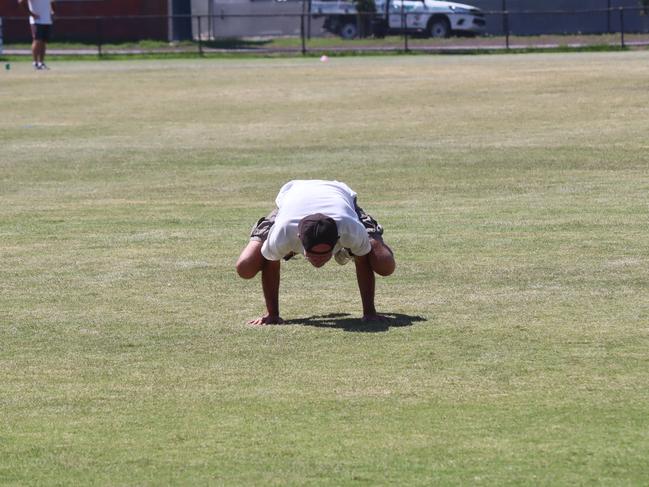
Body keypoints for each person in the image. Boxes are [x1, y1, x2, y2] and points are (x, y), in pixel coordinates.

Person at [236, 180, 396, 325]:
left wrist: (369, 313)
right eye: (313, 254)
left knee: (385, 265)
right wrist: (272, 314)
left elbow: (363, 264)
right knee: (245, 267)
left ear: (337, 239)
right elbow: (271, 265)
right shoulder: (284, 230)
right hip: (294, 192)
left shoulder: (350, 228)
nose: (319, 261)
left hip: (338, 193)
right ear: (299, 239)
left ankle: (351, 248)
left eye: (325, 254)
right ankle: (285, 246)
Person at [18, 0, 55, 70]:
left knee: (43, 41)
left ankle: (41, 62)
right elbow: (21, 1)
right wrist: (31, 14)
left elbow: (52, 2)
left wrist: (53, 12)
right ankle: (35, 62)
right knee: (37, 40)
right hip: (36, 20)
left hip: (47, 20)